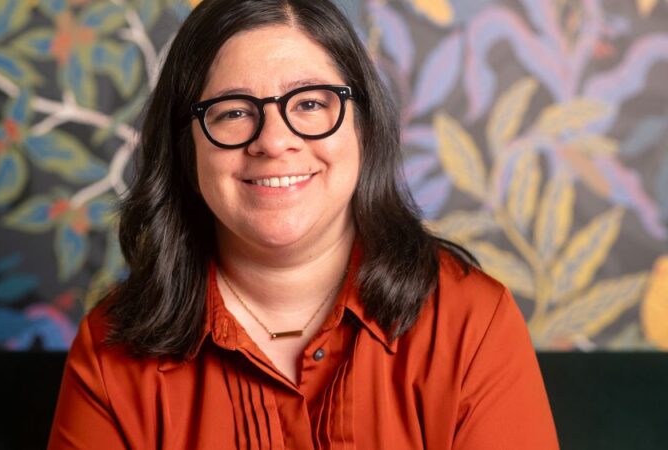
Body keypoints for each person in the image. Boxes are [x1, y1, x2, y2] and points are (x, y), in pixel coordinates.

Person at [47, 0, 559, 448]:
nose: (274, 140)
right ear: (187, 146)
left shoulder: (470, 322)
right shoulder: (110, 351)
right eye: (232, 112)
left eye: (311, 103)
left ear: (362, 125)